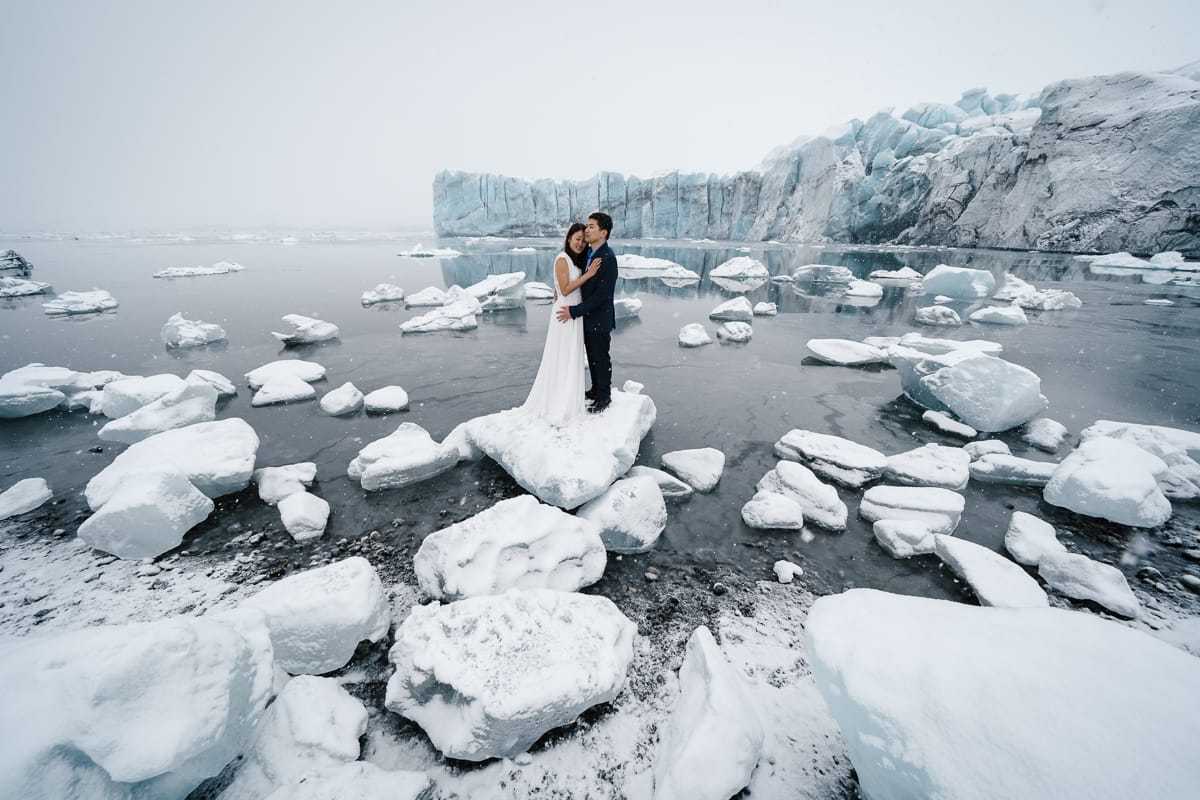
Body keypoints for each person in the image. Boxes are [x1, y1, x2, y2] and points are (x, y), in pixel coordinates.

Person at [521, 222, 601, 424]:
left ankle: (566, 396)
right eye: (577, 239)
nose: (581, 243)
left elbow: (560, 288)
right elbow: (565, 289)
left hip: (572, 313)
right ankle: (558, 400)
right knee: (561, 356)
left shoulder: (575, 260)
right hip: (565, 315)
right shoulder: (562, 259)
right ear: (568, 239)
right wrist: (589, 275)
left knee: (569, 356)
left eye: (583, 240)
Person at [556, 211, 618, 413]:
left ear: (603, 232)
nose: (587, 229)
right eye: (588, 226)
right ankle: (596, 389)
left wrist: (574, 311)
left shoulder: (607, 258)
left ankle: (604, 397)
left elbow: (601, 296)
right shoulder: (589, 254)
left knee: (601, 356)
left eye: (591, 226)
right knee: (592, 355)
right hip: (589, 319)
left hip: (599, 317)